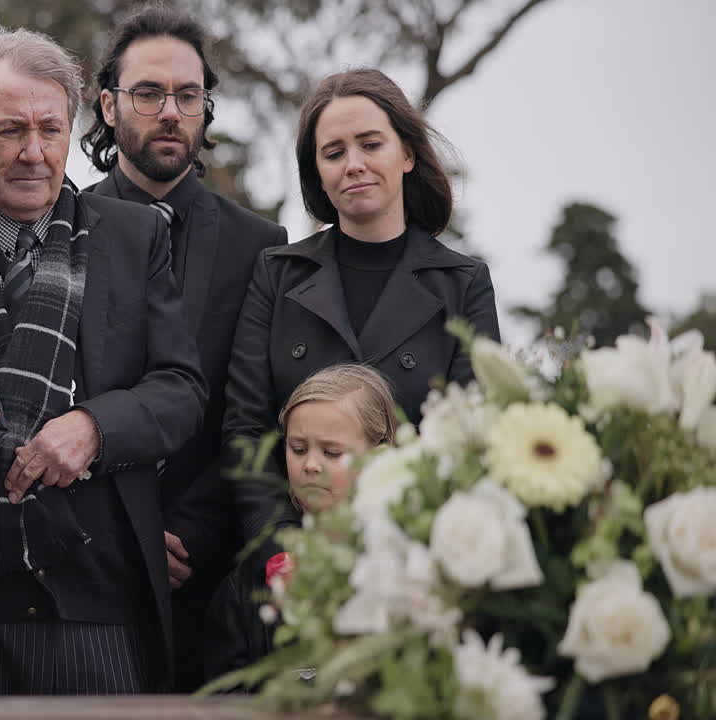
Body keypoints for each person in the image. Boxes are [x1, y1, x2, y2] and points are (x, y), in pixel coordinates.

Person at [0, 28, 207, 695]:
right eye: (11, 130)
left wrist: (96, 429)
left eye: (51, 129)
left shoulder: (134, 236)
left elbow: (181, 387)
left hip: (100, 604)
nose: (35, 153)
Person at [81, 5, 287, 692]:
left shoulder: (260, 246)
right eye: (147, 93)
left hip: (208, 576)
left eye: (188, 95)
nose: (170, 111)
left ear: (205, 107)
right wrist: (122, 531)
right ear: (109, 106)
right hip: (86, 569)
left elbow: (250, 409)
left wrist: (189, 534)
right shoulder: (62, 225)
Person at [223, 68, 500, 540]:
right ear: (318, 173)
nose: (353, 164)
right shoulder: (277, 273)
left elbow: (473, 437)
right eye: (334, 152)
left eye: (371, 145)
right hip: (290, 562)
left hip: (413, 555)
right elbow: (245, 427)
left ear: (407, 154)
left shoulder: (462, 284)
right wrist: (282, 545)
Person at [205, 363, 399, 682]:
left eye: (332, 452)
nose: (310, 465)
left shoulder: (411, 568)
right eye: (297, 448)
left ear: (378, 456)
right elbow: (225, 694)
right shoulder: (249, 581)